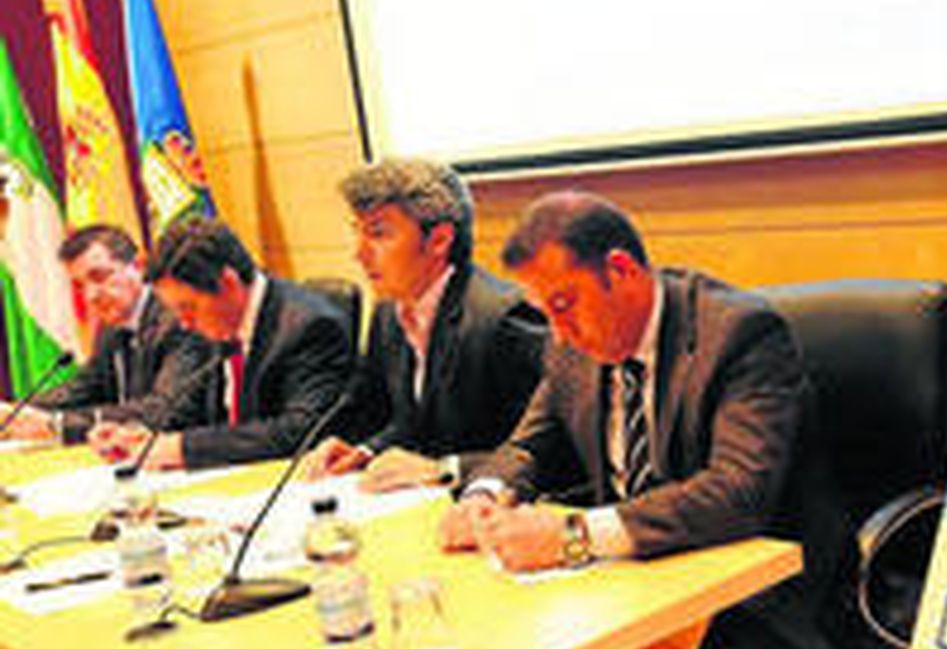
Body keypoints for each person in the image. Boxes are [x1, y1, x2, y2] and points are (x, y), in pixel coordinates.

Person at [439, 190, 851, 649]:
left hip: (760, 602)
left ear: (621, 270)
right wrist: (485, 495)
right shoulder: (570, 345)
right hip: (638, 584)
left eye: (564, 305)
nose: (558, 332)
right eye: (546, 313)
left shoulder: (740, 334)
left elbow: (738, 494)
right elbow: (531, 444)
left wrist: (574, 536)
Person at [304, 158, 546, 490]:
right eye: (357, 232)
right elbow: (413, 422)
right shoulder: (389, 313)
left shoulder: (504, 320)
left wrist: (445, 469)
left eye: (378, 234)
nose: (359, 253)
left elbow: (541, 450)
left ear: (439, 240)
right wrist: (365, 451)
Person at [91, 218, 354, 470]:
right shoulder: (219, 323)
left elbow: (298, 430)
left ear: (228, 282)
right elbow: (191, 408)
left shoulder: (310, 326)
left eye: (188, 308)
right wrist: (141, 435)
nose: (184, 323)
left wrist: (184, 448)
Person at [3, 225, 211, 444]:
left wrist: (59, 425)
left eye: (100, 277)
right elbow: (85, 388)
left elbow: (164, 410)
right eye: (80, 286)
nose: (91, 295)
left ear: (139, 266)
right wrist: (17, 412)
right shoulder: (112, 328)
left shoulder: (179, 322)